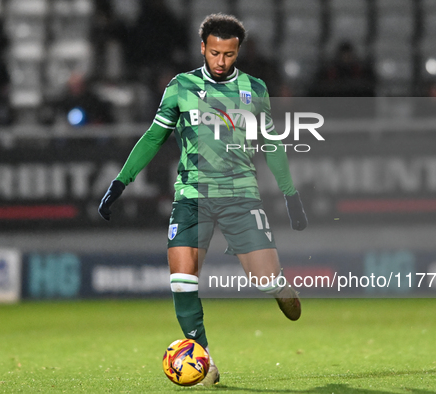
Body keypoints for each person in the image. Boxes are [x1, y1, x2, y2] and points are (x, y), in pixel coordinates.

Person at [98, 14, 308, 387]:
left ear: (237, 50)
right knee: (182, 279)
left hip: (240, 197)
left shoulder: (254, 89)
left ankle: (278, 286)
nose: (221, 61)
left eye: (228, 54)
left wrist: (290, 195)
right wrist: (120, 181)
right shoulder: (181, 87)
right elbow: (152, 138)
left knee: (262, 280)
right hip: (192, 196)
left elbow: (272, 145)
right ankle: (203, 359)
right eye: (214, 53)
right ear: (203, 48)